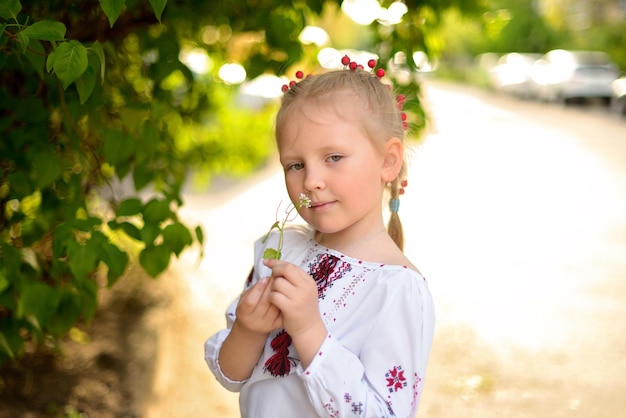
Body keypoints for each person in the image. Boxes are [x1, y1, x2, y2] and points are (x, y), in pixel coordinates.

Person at [205, 55, 435, 417]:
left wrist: (310, 329)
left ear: (388, 161)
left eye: (333, 157)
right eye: (295, 164)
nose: (310, 180)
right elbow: (231, 375)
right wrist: (248, 330)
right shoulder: (280, 250)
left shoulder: (395, 288)